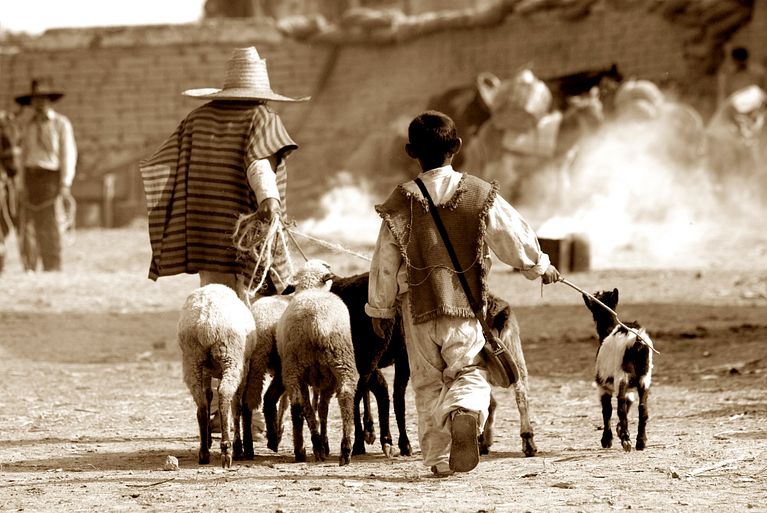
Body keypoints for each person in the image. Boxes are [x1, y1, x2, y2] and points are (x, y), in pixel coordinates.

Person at [365, 111, 560, 477]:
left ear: (411, 152)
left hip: (416, 309)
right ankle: (466, 410)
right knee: (469, 370)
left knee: (427, 383)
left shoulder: (401, 201)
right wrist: (539, 265)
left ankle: (438, 460)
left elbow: (385, 262)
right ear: (456, 146)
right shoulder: (478, 193)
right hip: (465, 307)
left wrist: (380, 309)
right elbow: (510, 236)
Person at [140, 46, 308, 435]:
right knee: (248, 325)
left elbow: (168, 163)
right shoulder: (262, 118)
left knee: (217, 320)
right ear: (261, 92)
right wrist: (269, 203)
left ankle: (219, 408)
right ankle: (250, 409)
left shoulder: (196, 121)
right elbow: (259, 165)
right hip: (248, 237)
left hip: (206, 235)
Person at [15, 78, 78, 272]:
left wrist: (65, 183)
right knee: (29, 223)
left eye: (43, 99)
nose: (39, 103)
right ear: (31, 102)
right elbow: (22, 156)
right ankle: (30, 266)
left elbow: (68, 154)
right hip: (30, 176)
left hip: (51, 176)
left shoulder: (60, 124)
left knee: (50, 221)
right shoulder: (27, 126)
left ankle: (52, 266)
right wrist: (20, 184)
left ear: (50, 101)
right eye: (36, 99)